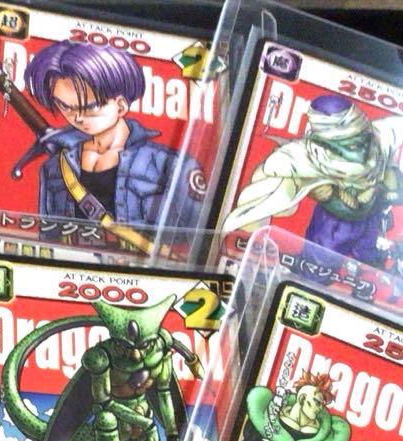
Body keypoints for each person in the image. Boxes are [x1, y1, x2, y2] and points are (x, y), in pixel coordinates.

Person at [21, 41, 203, 229]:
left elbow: (200, 237)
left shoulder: (172, 166)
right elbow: (48, 234)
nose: (77, 117)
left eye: (89, 107)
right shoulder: (54, 168)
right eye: (65, 107)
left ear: (121, 106)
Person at [222, 95, 403, 272]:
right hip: (335, 225)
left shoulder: (382, 136)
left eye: (363, 140)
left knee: (370, 262)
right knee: (319, 266)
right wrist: (319, 188)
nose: (363, 152)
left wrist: (390, 184)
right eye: (351, 145)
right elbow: (273, 167)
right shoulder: (306, 158)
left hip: (370, 217)